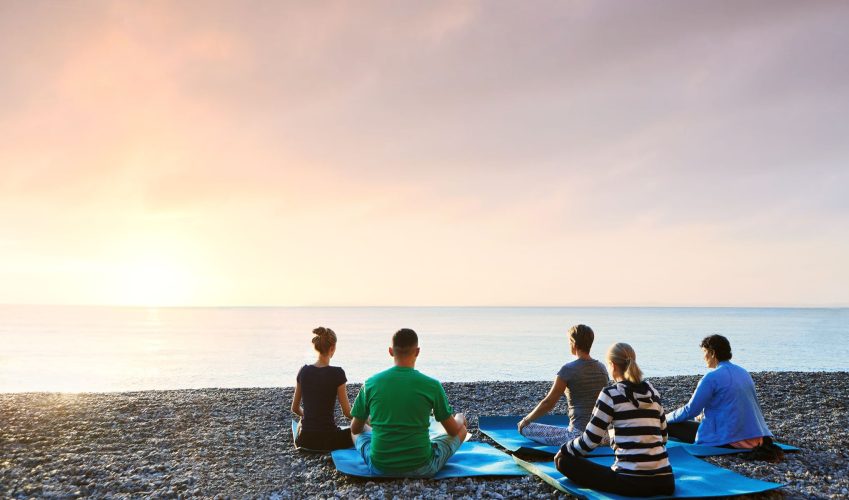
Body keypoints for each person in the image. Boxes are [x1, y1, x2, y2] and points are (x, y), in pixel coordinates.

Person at [555, 343, 674, 497]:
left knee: (563, 461)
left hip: (631, 482)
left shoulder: (610, 394)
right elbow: (664, 438)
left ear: (612, 365)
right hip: (665, 482)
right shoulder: (652, 392)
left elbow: (590, 441)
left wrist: (564, 449)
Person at [350, 328, 467, 477]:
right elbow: (452, 430)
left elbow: (355, 428)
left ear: (391, 351)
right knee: (461, 428)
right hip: (423, 467)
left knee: (356, 431)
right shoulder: (431, 385)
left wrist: (371, 421)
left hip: (380, 468)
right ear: (417, 351)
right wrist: (460, 417)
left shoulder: (371, 383)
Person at [666, 335, 778, 454]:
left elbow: (690, 410)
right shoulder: (743, 372)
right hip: (755, 438)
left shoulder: (711, 377)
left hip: (727, 440)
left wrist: (665, 417)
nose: (703, 357)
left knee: (667, 425)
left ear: (712, 353)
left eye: (704, 352)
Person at [518, 324, 609, 445]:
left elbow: (549, 402)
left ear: (574, 344)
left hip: (578, 438)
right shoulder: (602, 368)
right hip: (603, 437)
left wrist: (526, 420)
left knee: (525, 427)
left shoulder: (568, 369)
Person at [290, 326, 354, 451]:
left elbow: (295, 408)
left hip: (304, 441)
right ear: (332, 348)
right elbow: (347, 413)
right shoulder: (338, 373)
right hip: (329, 440)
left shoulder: (303, 371)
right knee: (359, 430)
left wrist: (310, 417)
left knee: (301, 422)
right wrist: (366, 420)